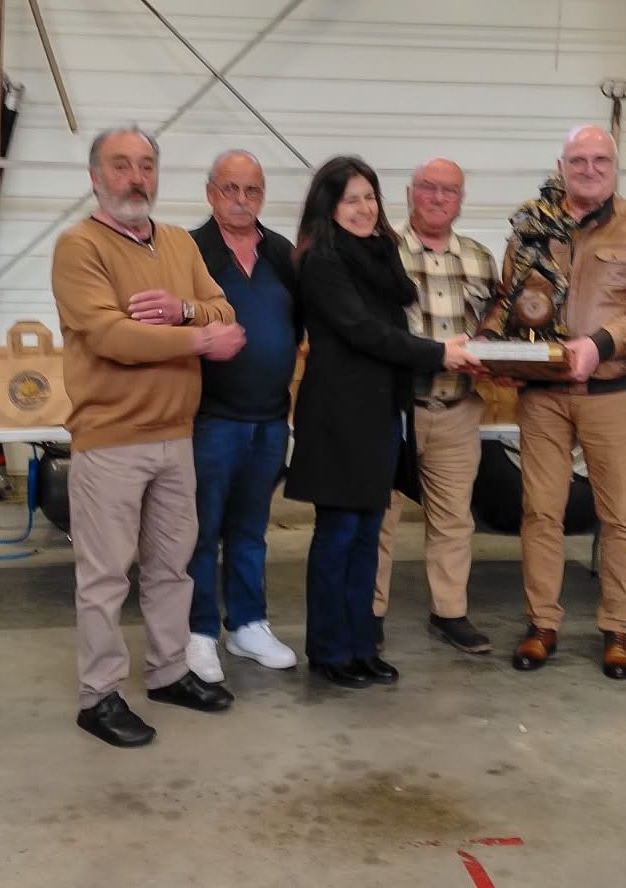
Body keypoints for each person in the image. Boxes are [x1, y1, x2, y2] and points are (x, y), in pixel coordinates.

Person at [52, 126, 247, 748]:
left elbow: (222, 309)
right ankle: (99, 695)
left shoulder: (180, 243)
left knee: (171, 567)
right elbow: (113, 336)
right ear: (95, 176)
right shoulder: (78, 247)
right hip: (109, 439)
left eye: (146, 165)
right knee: (106, 577)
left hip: (176, 436)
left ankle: (168, 672)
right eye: (121, 165)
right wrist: (197, 340)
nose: (136, 177)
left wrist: (185, 311)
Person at [484, 125, 626, 679]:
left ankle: (617, 630)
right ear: (561, 164)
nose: (589, 168)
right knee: (540, 513)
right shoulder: (530, 226)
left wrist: (601, 344)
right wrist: (494, 348)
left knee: (620, 516)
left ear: (614, 165)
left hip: (615, 394)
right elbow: (509, 297)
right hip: (543, 397)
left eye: (600, 159)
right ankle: (541, 623)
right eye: (579, 159)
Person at [284, 156, 479, 688]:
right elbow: (364, 332)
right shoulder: (323, 260)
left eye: (369, 197)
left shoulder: (380, 252)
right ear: (329, 207)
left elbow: (387, 329)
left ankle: (360, 645)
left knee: (369, 534)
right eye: (351, 199)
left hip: (380, 415)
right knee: (339, 534)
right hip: (339, 416)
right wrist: (439, 352)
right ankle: (329, 652)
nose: (364, 208)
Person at [373, 158, 499, 655]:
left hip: (457, 409)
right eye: (428, 187)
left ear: (461, 199)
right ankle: (370, 611)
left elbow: (495, 318)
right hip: (393, 409)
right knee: (378, 516)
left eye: (449, 190)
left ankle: (450, 612)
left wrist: (490, 345)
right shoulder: (381, 252)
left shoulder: (481, 258)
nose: (438, 197)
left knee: (452, 519)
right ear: (409, 193)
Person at [184, 150, 300, 682]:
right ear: (211, 193)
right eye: (230, 189)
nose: (240, 200)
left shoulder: (281, 253)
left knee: (252, 529)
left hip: (271, 418)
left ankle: (248, 624)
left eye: (251, 190)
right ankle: (201, 631)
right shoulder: (189, 251)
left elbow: (297, 325)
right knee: (203, 530)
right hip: (211, 419)